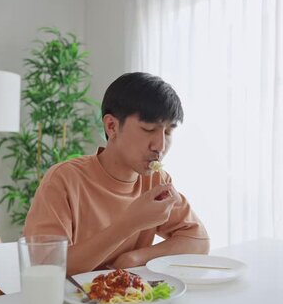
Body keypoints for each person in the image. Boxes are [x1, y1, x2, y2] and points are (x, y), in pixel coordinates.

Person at [23, 72, 210, 276]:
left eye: (168, 132)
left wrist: (136, 258)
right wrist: (129, 224)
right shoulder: (63, 180)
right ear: (111, 126)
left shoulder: (156, 181)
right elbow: (48, 269)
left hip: (133, 302)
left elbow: (198, 241)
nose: (160, 146)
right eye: (148, 129)